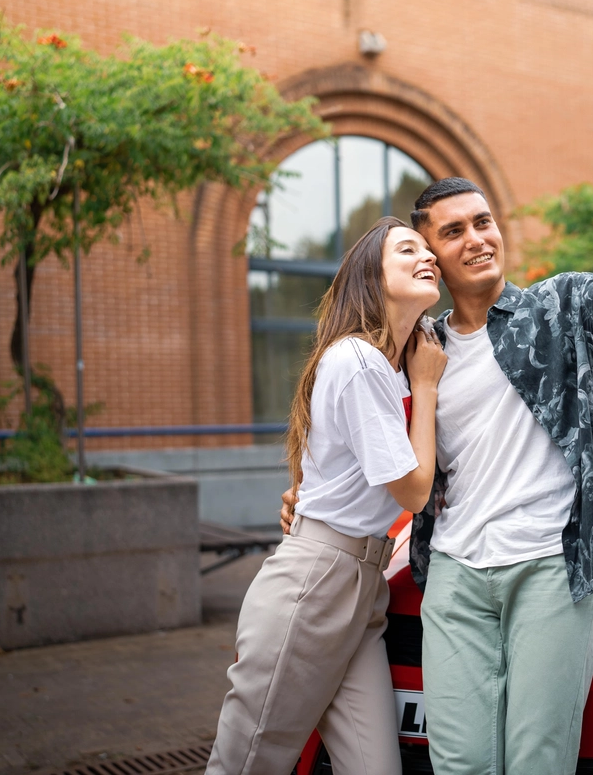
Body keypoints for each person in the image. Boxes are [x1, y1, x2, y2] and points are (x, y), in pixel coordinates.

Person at [281, 111, 593, 773]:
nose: (477, 238)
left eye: (483, 222)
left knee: (537, 760)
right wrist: (304, 496)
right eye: (453, 232)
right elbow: (370, 443)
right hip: (453, 575)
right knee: (461, 763)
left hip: (552, 569)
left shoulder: (561, 309)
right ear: (430, 258)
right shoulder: (421, 351)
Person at [207, 217, 447, 775]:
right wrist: (431, 386)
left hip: (364, 586)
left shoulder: (396, 367)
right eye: (407, 249)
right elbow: (413, 491)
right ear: (372, 276)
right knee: (249, 762)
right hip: (317, 579)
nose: (427, 256)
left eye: (428, 249)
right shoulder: (358, 359)